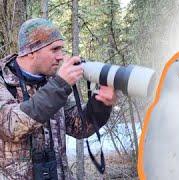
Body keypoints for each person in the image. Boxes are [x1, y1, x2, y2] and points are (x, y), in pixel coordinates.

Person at [0, 18, 116, 179]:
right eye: (54, 49)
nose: (61, 57)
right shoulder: (3, 81)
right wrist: (61, 85)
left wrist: (101, 103)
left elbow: (79, 126)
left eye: (61, 49)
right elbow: (12, 126)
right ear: (31, 51)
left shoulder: (50, 82)